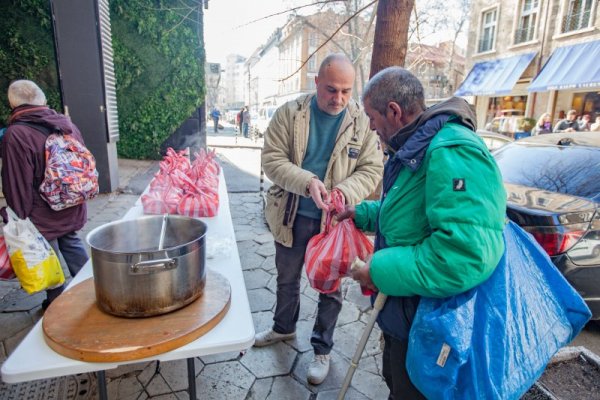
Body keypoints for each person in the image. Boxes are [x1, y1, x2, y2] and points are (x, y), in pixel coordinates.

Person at [336, 67, 506, 398]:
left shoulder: (451, 150)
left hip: (428, 326)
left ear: (394, 111)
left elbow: (461, 255)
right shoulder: (416, 145)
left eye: (372, 117)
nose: (370, 126)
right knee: (395, 382)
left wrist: (379, 269)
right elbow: (413, 213)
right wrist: (364, 213)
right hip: (406, 317)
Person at [258, 53, 383, 385]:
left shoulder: (361, 122)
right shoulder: (290, 114)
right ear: (316, 82)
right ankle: (283, 329)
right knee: (286, 278)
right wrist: (307, 182)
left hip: (336, 222)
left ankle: (322, 349)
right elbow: (271, 159)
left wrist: (343, 191)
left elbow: (371, 169)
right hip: (292, 215)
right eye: (331, 90)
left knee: (331, 288)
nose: (338, 99)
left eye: (345, 91)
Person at [1, 80, 89, 309]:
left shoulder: (17, 133)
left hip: (42, 210)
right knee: (71, 241)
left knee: (47, 252)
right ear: (42, 99)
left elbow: (16, 179)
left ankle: (57, 303)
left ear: (12, 103)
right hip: (72, 200)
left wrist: (17, 214)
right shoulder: (66, 124)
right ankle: (91, 289)